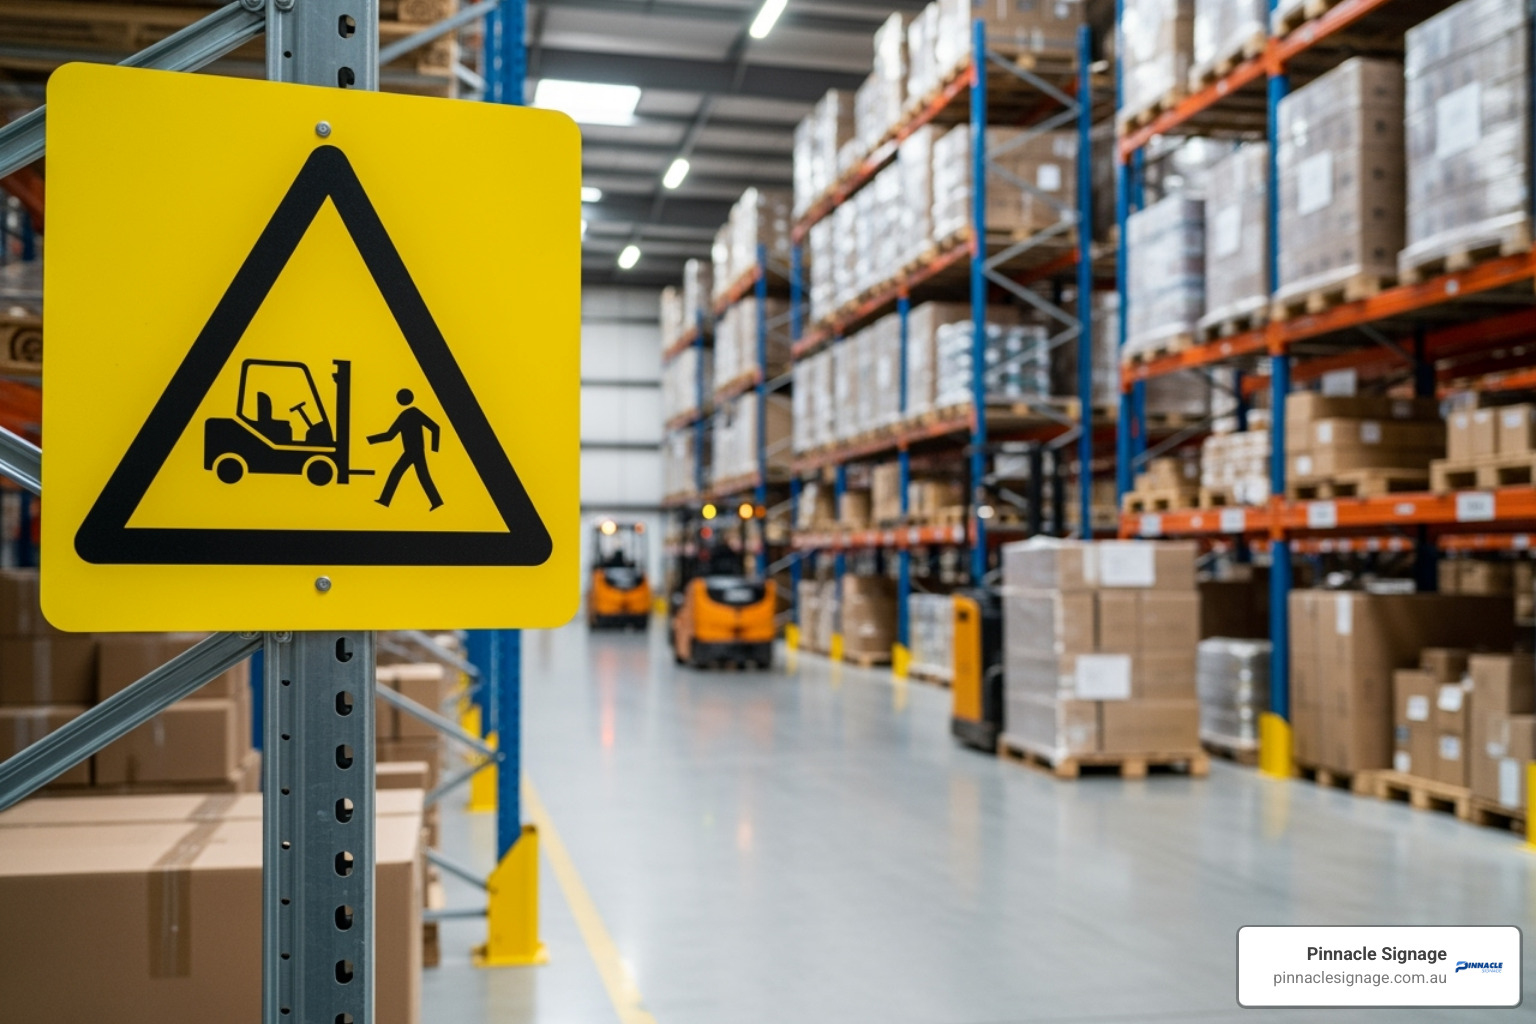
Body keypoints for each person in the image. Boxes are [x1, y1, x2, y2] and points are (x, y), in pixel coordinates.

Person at [367, 388, 443, 510]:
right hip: (413, 451)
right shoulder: (410, 414)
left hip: (414, 451)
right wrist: (370, 440)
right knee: (421, 476)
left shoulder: (410, 414)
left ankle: (385, 500)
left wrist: (434, 448)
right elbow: (390, 436)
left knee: (399, 473)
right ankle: (436, 501)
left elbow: (435, 427)